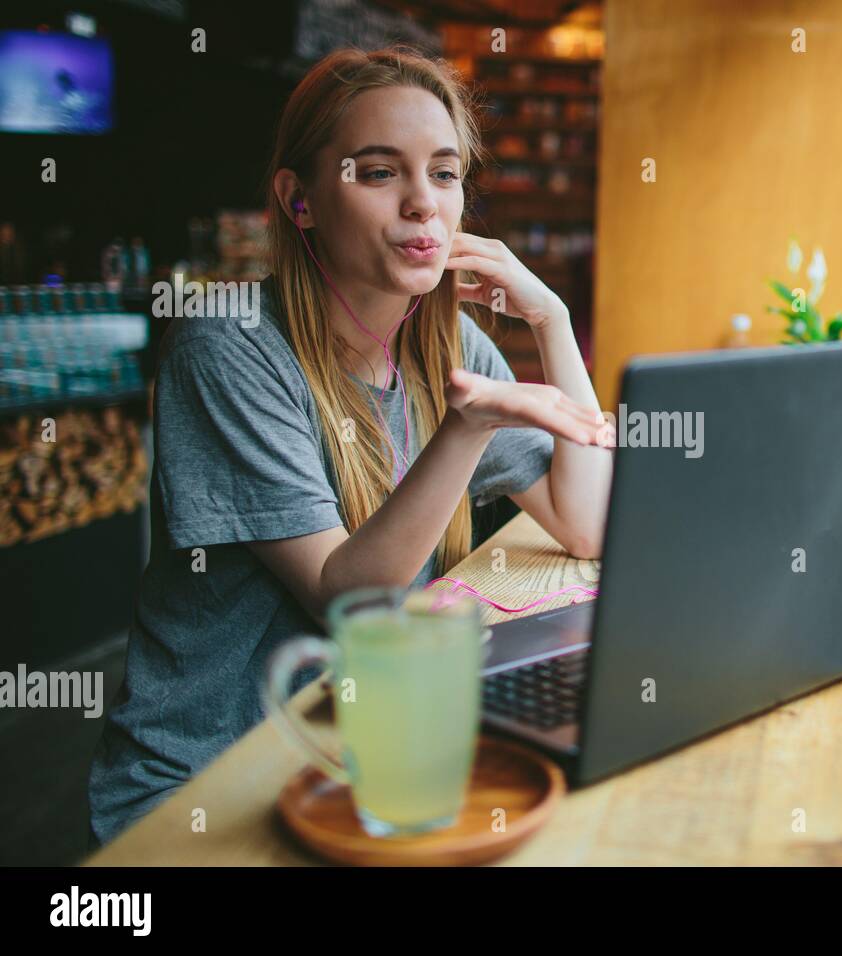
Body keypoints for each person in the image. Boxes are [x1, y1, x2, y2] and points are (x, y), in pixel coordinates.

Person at [87, 46, 614, 848]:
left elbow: (586, 525)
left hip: (362, 752)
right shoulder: (230, 351)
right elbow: (347, 599)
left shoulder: (452, 346)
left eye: (444, 173)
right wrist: (465, 429)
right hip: (213, 782)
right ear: (299, 201)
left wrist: (551, 322)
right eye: (377, 173)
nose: (423, 206)